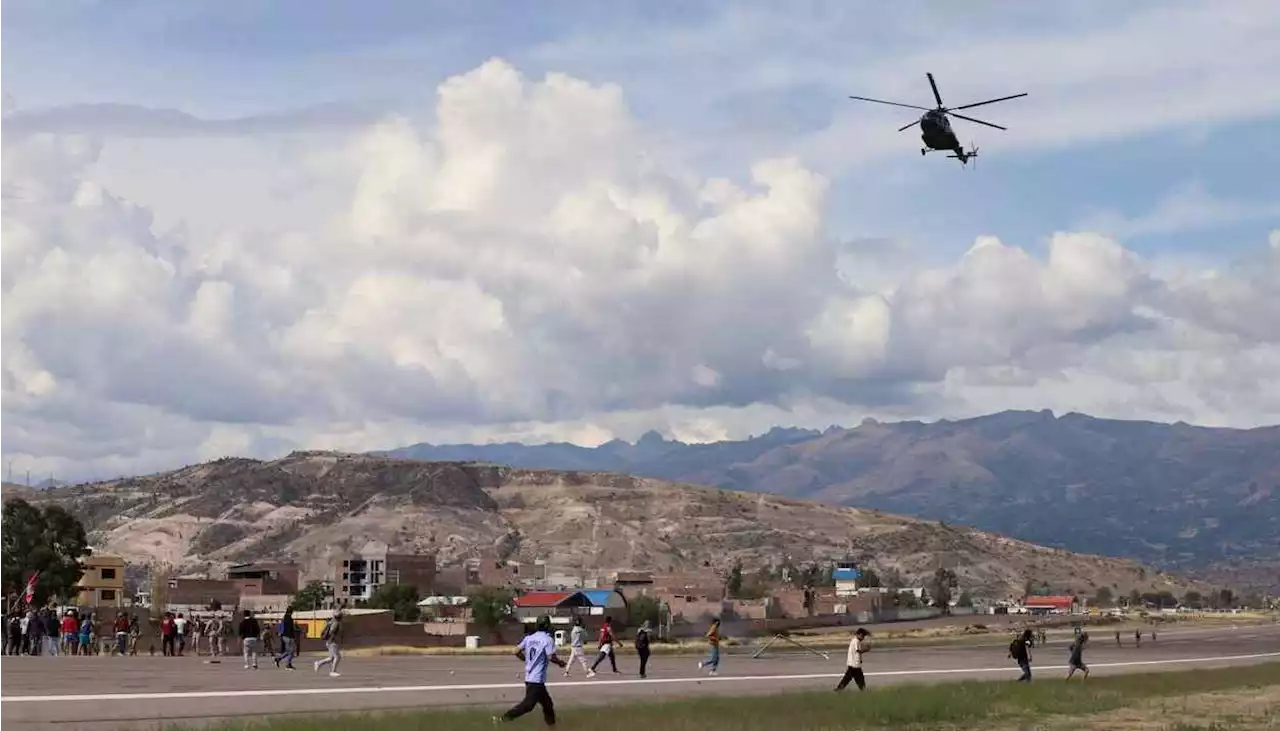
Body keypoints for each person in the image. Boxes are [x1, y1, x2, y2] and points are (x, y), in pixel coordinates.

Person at [496, 615, 565, 726]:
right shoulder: (547, 639)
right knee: (528, 705)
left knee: (547, 704)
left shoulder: (529, 638)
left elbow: (515, 651)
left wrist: (525, 659)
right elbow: (551, 657)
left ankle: (552, 726)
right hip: (536, 680)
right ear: (548, 626)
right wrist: (560, 663)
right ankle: (503, 719)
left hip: (530, 678)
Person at [313, 608, 344, 677]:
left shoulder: (332, 621)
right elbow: (332, 631)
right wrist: (333, 639)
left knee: (331, 658)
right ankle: (333, 671)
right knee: (337, 657)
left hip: (330, 641)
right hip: (332, 642)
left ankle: (318, 663)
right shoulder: (336, 623)